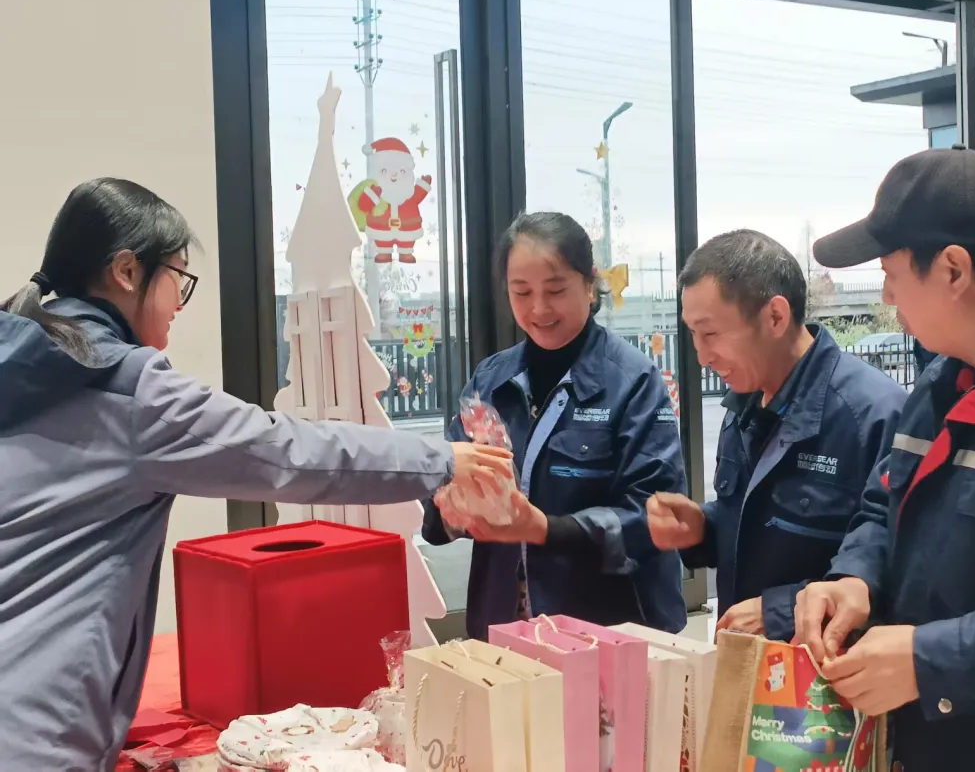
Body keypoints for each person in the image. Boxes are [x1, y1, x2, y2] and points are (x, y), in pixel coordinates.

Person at [0, 178, 513, 771]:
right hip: (36, 732)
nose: (179, 304)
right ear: (126, 271)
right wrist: (442, 461)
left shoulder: (23, 367)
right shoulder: (126, 392)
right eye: (178, 278)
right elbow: (286, 451)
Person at [796, 145, 975, 770]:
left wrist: (929, 662)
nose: (888, 297)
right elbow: (885, 504)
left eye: (892, 275)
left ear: (953, 270)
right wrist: (854, 578)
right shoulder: (941, 381)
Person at [422, 211, 688, 639]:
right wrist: (454, 509)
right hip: (504, 627)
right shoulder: (490, 380)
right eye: (522, 292)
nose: (539, 308)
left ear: (590, 284)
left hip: (606, 630)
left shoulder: (633, 381)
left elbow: (655, 517)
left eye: (556, 290)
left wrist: (545, 529)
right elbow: (443, 487)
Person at [646, 230, 906, 641]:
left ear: (775, 317)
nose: (702, 356)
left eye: (710, 333)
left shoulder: (875, 415)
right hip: (747, 660)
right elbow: (758, 522)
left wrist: (780, 612)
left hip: (827, 669)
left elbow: (898, 570)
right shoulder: (743, 405)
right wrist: (703, 529)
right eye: (692, 334)